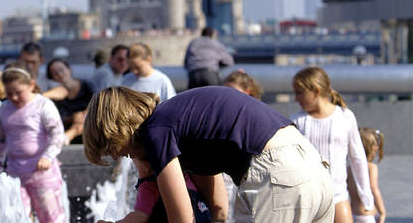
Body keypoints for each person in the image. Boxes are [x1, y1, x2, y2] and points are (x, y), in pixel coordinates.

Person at [84, 86, 335, 222]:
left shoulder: (156, 131)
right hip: (313, 167)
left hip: (278, 176)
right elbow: (219, 209)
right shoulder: (184, 122)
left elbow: (182, 219)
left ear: (117, 130)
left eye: (115, 149)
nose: (122, 157)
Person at [291, 66, 373, 223]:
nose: (296, 98)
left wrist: (366, 197)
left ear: (315, 90)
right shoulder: (297, 121)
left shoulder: (345, 117)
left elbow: (358, 158)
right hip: (307, 200)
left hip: (338, 196)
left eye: (299, 93)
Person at [0, 62, 66, 223]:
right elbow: (0, 140)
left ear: (31, 85)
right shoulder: (4, 108)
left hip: (41, 172)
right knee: (17, 218)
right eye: (9, 93)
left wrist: (48, 156)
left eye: (18, 92)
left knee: (52, 218)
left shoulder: (43, 105)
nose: (14, 97)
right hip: (15, 172)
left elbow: (58, 134)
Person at [98, 158, 211, 223]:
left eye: (133, 157)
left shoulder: (150, 186)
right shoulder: (185, 177)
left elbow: (139, 217)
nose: (134, 164)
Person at [43, 58, 95, 144]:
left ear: (69, 70)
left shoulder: (87, 85)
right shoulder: (56, 93)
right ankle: (68, 135)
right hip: (71, 126)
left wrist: (84, 114)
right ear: (53, 78)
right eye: (55, 73)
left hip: (91, 124)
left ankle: (67, 136)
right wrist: (73, 117)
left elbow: (98, 104)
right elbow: (61, 117)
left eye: (61, 70)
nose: (60, 74)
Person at [348, 128, 386, 223]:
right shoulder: (371, 167)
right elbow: (374, 189)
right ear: (373, 149)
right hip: (366, 215)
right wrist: (382, 212)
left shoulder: (349, 168)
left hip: (352, 214)